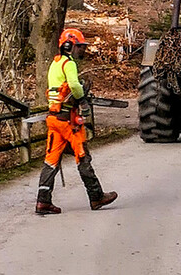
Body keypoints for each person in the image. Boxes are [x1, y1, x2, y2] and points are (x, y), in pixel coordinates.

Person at [35, 26, 118, 215]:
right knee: (82, 157)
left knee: (51, 161)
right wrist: (82, 100)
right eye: (79, 46)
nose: (82, 49)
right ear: (69, 46)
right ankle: (96, 196)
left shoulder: (55, 63)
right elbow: (73, 85)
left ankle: (43, 201)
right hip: (68, 121)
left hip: (54, 119)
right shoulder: (68, 64)